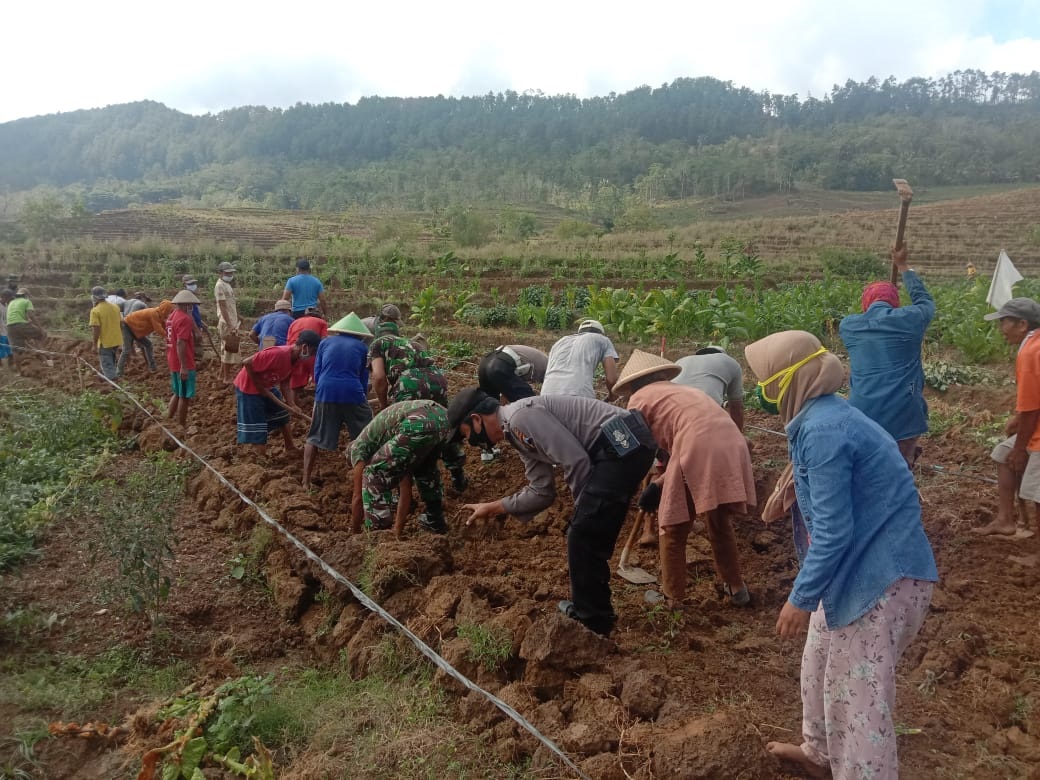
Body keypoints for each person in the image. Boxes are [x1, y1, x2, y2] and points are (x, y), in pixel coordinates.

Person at [744, 330, 937, 780]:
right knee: (818, 664)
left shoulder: (823, 430)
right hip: (855, 569)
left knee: (858, 698)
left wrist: (801, 598)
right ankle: (819, 754)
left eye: (766, 382)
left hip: (883, 579)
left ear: (790, 381)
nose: (761, 391)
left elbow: (832, 532)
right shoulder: (818, 418)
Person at [450, 388, 656, 636]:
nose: (473, 444)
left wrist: (583, 512)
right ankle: (594, 614)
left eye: (467, 435)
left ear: (476, 420)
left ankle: (593, 623)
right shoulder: (516, 433)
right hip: (620, 447)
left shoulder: (520, 418)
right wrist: (492, 508)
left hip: (622, 442)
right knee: (587, 534)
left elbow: (576, 461)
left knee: (583, 535)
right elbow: (541, 491)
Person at [613, 350, 756, 607]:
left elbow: (633, 451)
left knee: (672, 525)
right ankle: (736, 587)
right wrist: (660, 484)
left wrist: (650, 486)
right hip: (733, 442)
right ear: (661, 375)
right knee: (718, 519)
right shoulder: (683, 391)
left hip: (697, 447)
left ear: (632, 384)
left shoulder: (637, 400)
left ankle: (672, 597)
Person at [839, 246, 935, 468]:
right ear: (895, 302)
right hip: (904, 413)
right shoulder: (911, 319)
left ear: (866, 303)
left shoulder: (848, 326)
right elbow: (925, 302)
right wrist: (903, 266)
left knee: (866, 466)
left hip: (862, 411)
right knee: (899, 468)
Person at [972, 298, 1040, 557]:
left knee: (1037, 492)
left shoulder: (1031, 351)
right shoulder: (1032, 344)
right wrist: (1018, 418)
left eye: (1004, 322)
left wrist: (1021, 449)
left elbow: (1032, 409)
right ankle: (1006, 520)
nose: (1001, 329)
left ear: (1022, 324)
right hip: (1034, 422)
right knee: (1002, 453)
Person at [349, 399, 465, 534]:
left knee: (374, 475)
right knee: (425, 467)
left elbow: (358, 498)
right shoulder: (391, 445)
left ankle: (378, 536)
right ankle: (435, 518)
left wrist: (354, 532)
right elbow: (406, 490)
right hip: (443, 417)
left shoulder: (358, 450)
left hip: (419, 422)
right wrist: (397, 531)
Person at [302, 313, 374, 489]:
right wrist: (361, 397)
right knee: (368, 435)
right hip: (353, 392)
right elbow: (363, 378)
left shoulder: (325, 342)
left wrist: (323, 392)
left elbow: (317, 373)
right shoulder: (362, 348)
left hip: (325, 391)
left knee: (314, 436)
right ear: (359, 334)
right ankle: (367, 482)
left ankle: (305, 482)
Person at [234, 330, 321, 456]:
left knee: (282, 415)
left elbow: (285, 384)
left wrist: (292, 404)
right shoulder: (278, 354)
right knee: (257, 425)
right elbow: (247, 362)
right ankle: (259, 457)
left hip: (267, 386)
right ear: (305, 347)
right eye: (313, 351)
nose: (313, 355)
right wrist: (259, 387)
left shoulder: (296, 360)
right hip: (249, 388)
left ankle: (290, 447)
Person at [368, 320, 448, 410]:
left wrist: (383, 405)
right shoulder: (413, 343)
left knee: (408, 417)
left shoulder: (377, 343)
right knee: (437, 415)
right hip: (438, 380)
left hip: (409, 383)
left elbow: (379, 377)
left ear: (377, 335)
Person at [540, 319, 620, 400]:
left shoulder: (559, 342)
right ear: (601, 333)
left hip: (545, 396)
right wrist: (612, 395)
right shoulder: (603, 339)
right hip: (578, 396)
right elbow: (611, 379)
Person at [672, 345, 745, 432]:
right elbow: (736, 406)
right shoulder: (730, 362)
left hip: (671, 406)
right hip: (705, 409)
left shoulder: (681, 361)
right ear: (722, 355)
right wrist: (738, 435)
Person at [166, 291, 199, 430]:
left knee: (177, 392)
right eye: (191, 304)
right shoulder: (184, 319)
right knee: (184, 396)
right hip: (183, 362)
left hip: (173, 360)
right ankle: (181, 426)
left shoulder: (172, 316)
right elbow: (181, 342)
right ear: (187, 304)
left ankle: (167, 419)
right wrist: (184, 366)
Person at [117, 300, 174, 376]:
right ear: (165, 310)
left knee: (148, 344)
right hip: (127, 325)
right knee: (126, 349)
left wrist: (172, 336)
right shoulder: (154, 313)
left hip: (136, 329)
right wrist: (168, 338)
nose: (170, 313)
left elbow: (164, 327)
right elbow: (158, 329)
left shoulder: (160, 315)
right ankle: (119, 372)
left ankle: (153, 367)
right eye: (170, 311)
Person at [477, 345, 549, 402]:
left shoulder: (543, 360)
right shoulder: (550, 369)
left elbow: (507, 384)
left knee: (489, 405)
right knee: (529, 403)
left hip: (486, 361)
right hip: (499, 365)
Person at [214, 261, 242, 384]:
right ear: (220, 273)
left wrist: (236, 317)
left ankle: (221, 375)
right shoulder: (220, 286)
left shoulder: (226, 285)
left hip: (231, 321)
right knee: (229, 350)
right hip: (227, 323)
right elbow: (223, 306)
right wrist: (230, 324)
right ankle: (226, 377)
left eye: (231, 273)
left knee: (229, 348)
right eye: (227, 273)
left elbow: (230, 305)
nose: (230, 275)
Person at [6, 287, 46, 369]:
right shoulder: (26, 301)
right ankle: (42, 355)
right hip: (21, 325)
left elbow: (16, 316)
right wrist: (41, 328)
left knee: (16, 350)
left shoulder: (11, 302)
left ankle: (19, 372)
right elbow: (31, 316)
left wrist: (27, 322)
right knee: (40, 334)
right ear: (26, 295)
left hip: (10, 327)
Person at [88, 286, 122, 380]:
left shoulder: (95, 311)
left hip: (105, 342)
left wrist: (94, 344)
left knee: (106, 363)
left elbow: (96, 329)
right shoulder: (115, 307)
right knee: (111, 360)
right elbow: (120, 323)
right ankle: (112, 375)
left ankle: (111, 382)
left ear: (94, 297)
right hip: (116, 339)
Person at [182, 275, 211, 359]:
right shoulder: (186, 298)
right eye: (190, 284)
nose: (193, 285)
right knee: (196, 346)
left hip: (195, 325)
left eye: (194, 283)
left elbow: (194, 313)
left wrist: (201, 323)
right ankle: (195, 362)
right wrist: (196, 330)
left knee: (197, 345)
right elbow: (189, 315)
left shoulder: (191, 296)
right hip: (191, 327)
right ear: (184, 285)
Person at [0, 290, 12, 369]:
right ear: (4, 297)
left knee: (9, 348)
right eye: (8, 298)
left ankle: (10, 365)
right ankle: (1, 367)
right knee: (1, 349)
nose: (9, 300)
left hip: (6, 330)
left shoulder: (6, 305)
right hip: (1, 331)